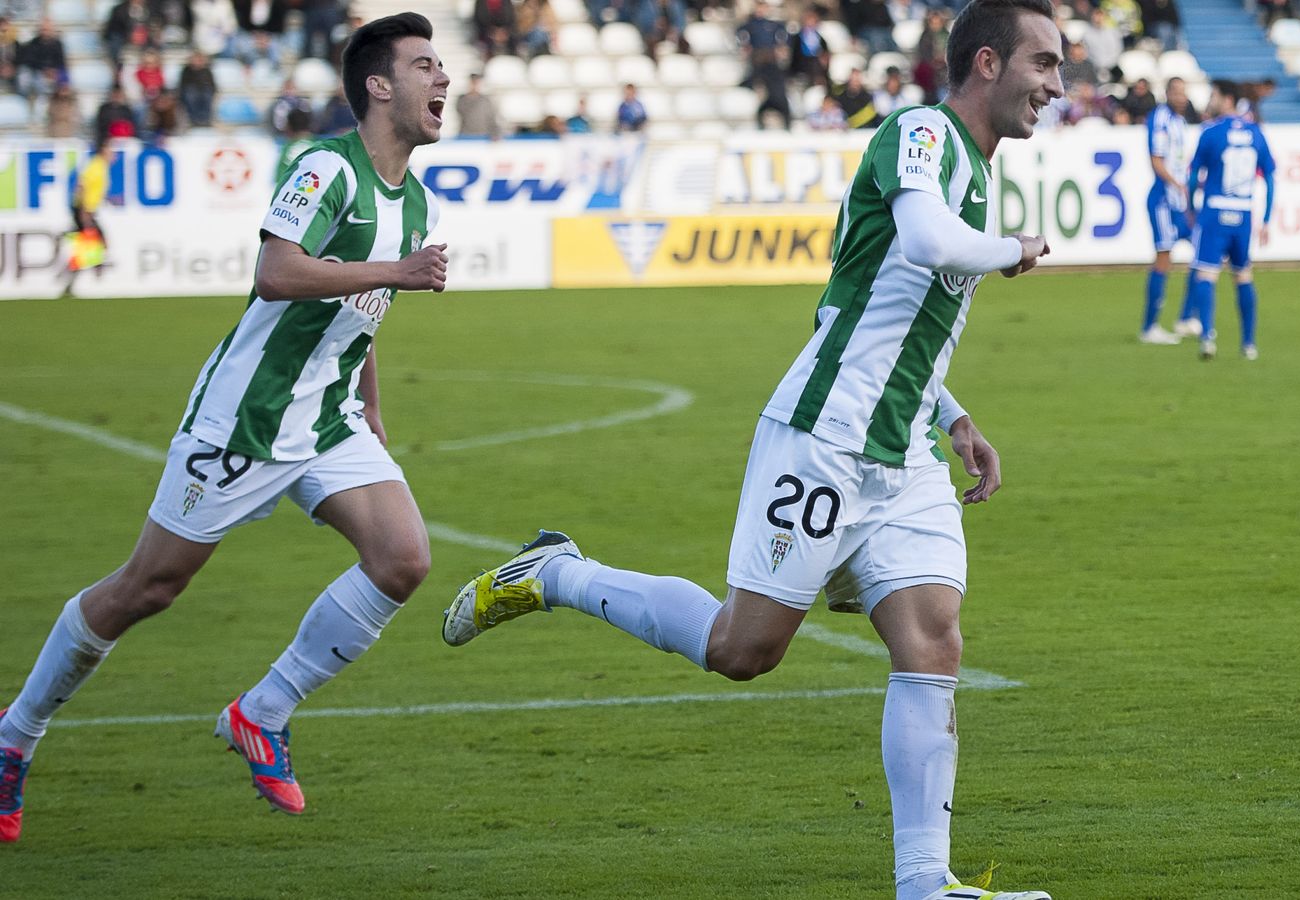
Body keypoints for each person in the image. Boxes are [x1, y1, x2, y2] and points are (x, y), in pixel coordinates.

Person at [440, 2, 1060, 898]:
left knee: (933, 639)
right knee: (743, 649)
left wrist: (955, 415)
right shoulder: (921, 133)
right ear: (989, 62)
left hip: (903, 453)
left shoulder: (971, 169)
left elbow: (884, 312)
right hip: (824, 439)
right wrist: (1012, 250)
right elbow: (924, 244)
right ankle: (558, 573)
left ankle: (926, 882)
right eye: (1044, 64)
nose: (1056, 86)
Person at [0, 12, 452, 844]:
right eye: (425, 65)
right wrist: (398, 271)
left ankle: (262, 711)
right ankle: (13, 735)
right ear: (378, 85)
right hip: (246, 419)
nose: (444, 80)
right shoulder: (328, 169)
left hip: (327, 418)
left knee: (402, 559)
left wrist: (373, 408)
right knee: (148, 588)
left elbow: (361, 310)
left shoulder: (414, 200)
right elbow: (278, 274)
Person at [1185, 80, 1275, 361]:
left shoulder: (1211, 133)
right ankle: (1248, 344)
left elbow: (1192, 175)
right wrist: (1267, 217)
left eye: (1214, 95)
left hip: (1215, 210)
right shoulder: (1255, 132)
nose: (1211, 100)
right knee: (1243, 276)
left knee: (1205, 274)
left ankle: (1208, 337)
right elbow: (1270, 176)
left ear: (1227, 99)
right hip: (1243, 213)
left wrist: (1190, 207)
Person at [1141, 77, 1195, 345]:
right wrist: (1178, 185)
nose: (1181, 97)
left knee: (1203, 249)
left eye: (1184, 92)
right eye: (1176, 92)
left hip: (1178, 202)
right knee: (1164, 257)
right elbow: (1157, 161)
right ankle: (1150, 327)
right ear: (1167, 94)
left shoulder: (1180, 121)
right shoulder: (1160, 118)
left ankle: (1185, 318)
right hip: (1163, 200)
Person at [59, 136, 114, 299]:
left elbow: (92, 190)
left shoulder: (100, 166)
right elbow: (81, 185)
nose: (113, 154)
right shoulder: (96, 166)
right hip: (85, 212)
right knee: (95, 244)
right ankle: (97, 274)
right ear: (103, 151)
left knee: (89, 247)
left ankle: (74, 281)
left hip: (86, 211)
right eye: (110, 150)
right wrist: (83, 214)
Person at [455, 71, 502, 138]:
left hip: (483, 137)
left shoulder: (486, 101)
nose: (474, 85)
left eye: (476, 83)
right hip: (466, 137)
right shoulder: (462, 99)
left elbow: (492, 120)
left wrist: (495, 134)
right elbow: (462, 111)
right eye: (473, 83)